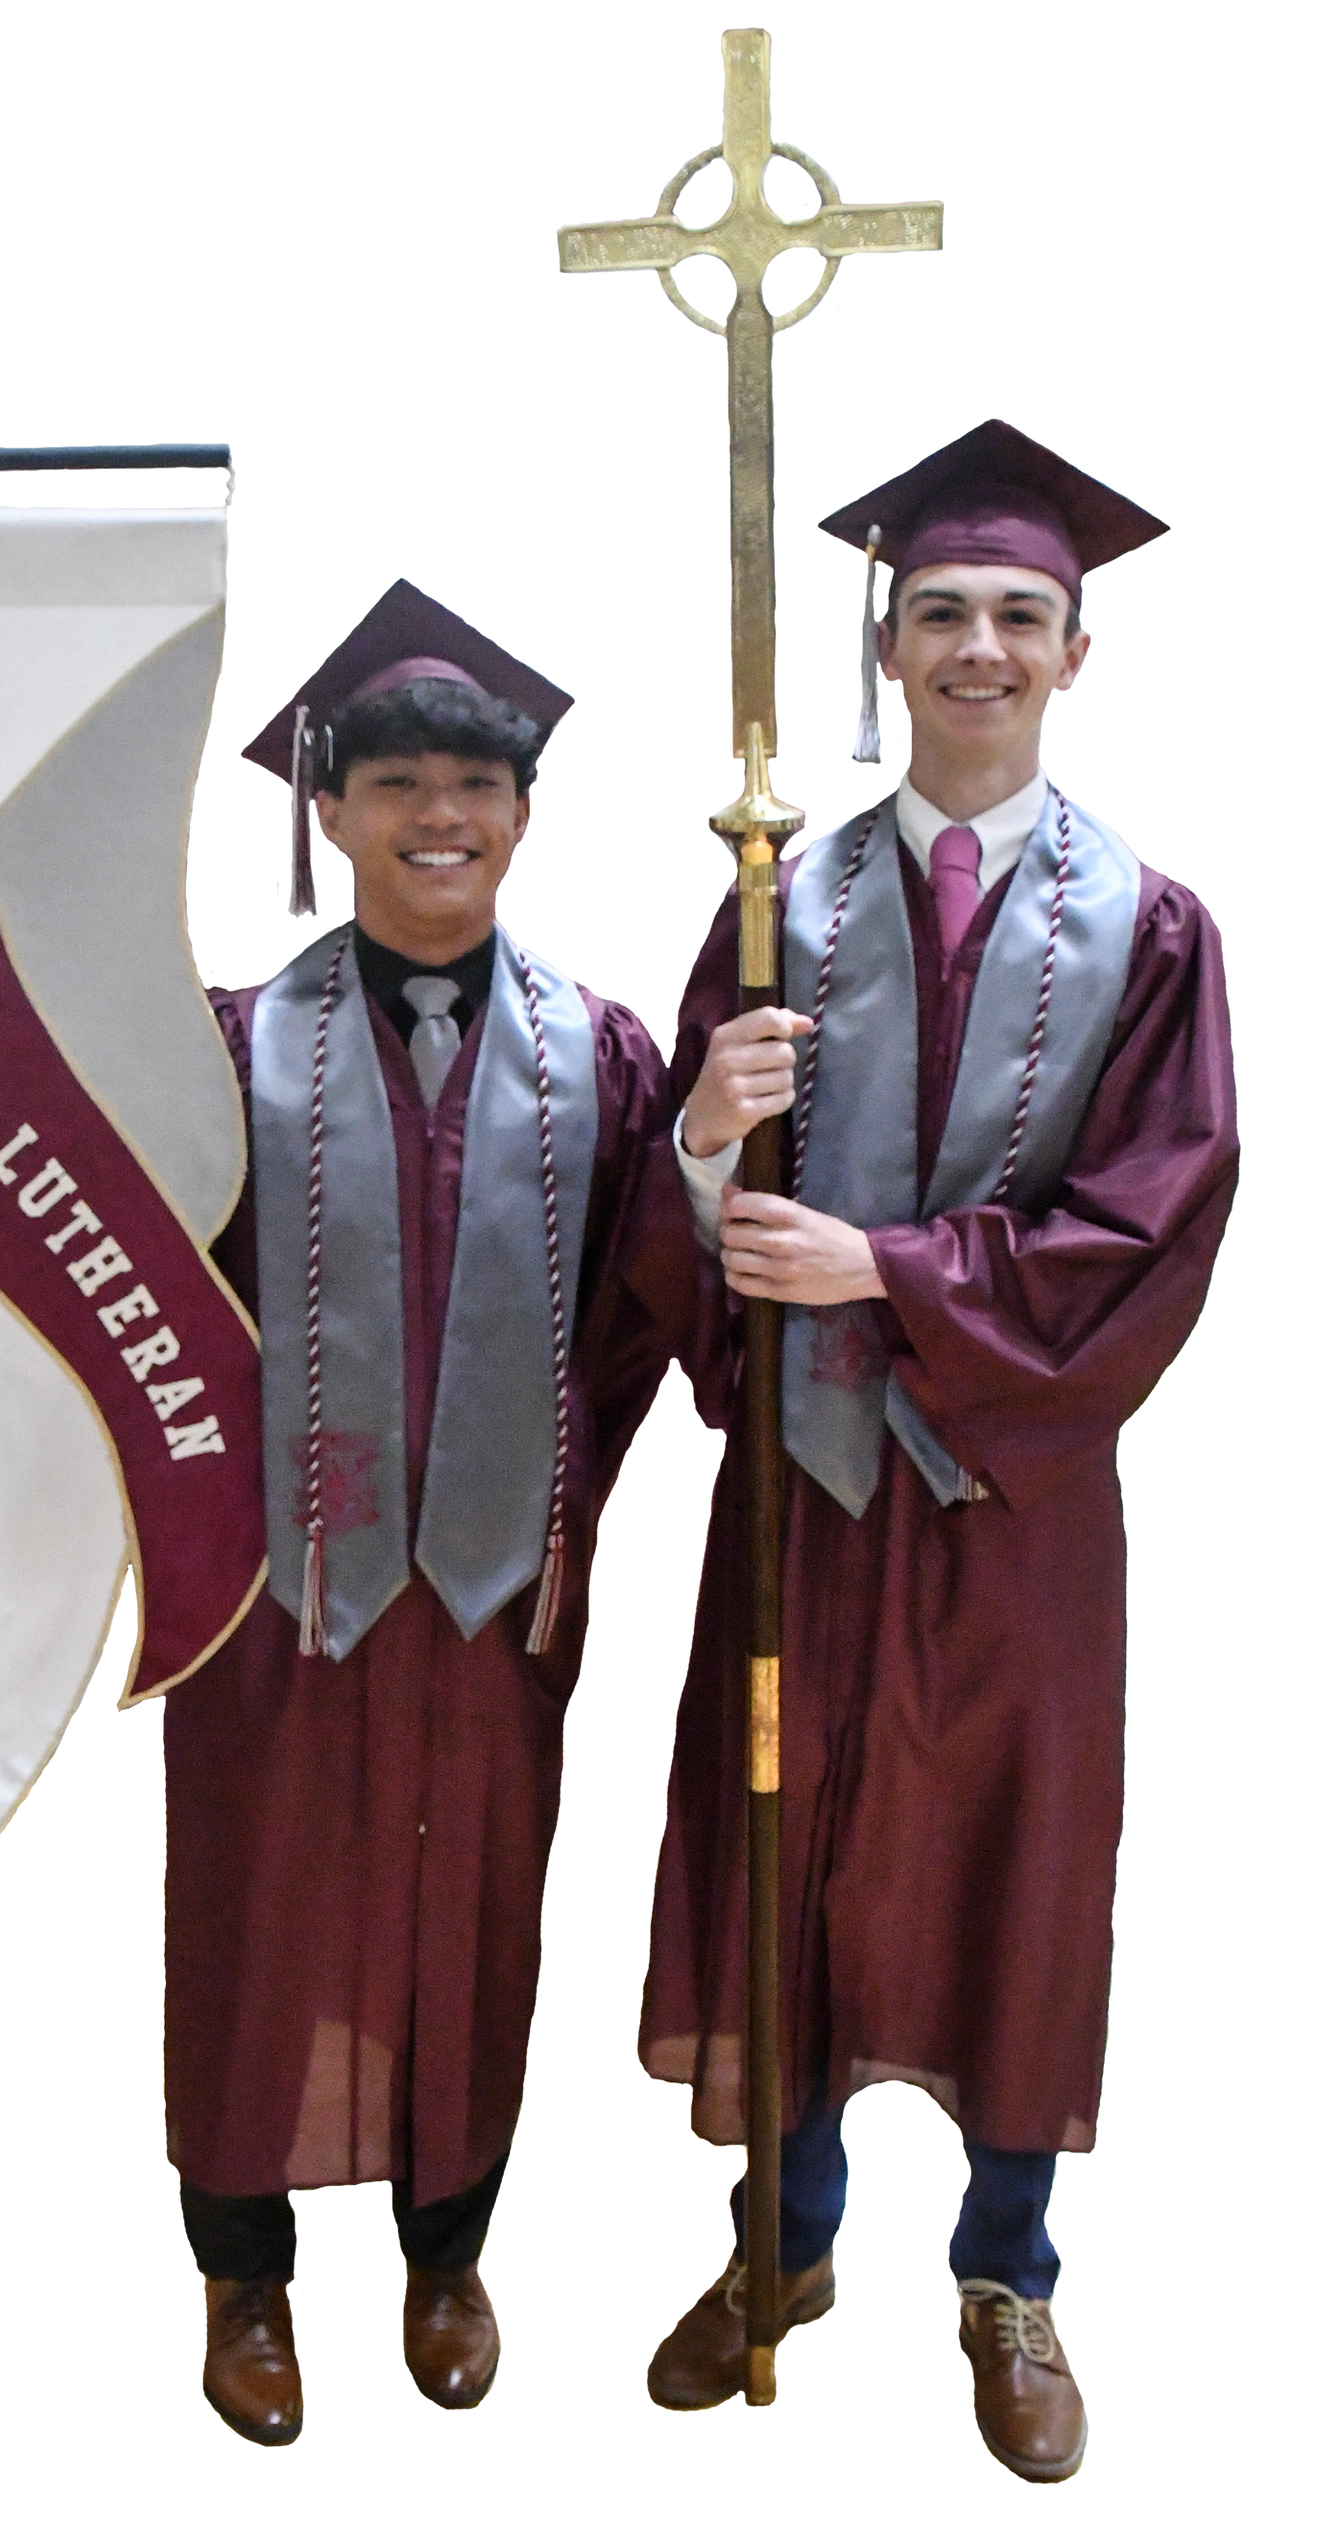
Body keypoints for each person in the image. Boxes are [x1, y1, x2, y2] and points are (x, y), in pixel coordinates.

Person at [633, 419, 1241, 2486]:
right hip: (805, 1494)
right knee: (786, 1840)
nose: (978, 644)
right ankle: (787, 2248)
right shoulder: (771, 897)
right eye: (942, 612)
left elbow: (1156, 1231)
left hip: (1011, 1498)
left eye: (1021, 616)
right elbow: (664, 1238)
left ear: (1077, 654)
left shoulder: (1154, 926)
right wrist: (710, 1127)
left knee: (1015, 1869)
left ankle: (1005, 2272)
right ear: (884, 645)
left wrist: (882, 1266)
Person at [166, 579, 689, 2447]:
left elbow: (644, 1313)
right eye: (391, 780)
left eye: (474, 779)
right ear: (325, 811)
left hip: (491, 1584)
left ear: (529, 812)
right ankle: (242, 2277)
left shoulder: (609, 1054)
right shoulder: (218, 1044)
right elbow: (133, 1312)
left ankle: (449, 2248)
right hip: (273, 1598)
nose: (436, 812)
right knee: (258, 1914)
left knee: (478, 1908)